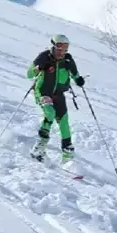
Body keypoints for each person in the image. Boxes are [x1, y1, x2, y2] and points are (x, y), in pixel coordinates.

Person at [26, 34, 85, 162]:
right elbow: (29, 74)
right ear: (53, 47)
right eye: (59, 49)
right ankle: (40, 147)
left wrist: (79, 80)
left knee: (64, 121)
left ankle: (67, 155)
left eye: (64, 50)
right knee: (50, 112)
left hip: (58, 94)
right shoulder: (44, 57)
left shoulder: (68, 60)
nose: (61, 52)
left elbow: (75, 74)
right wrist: (39, 68)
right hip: (43, 91)